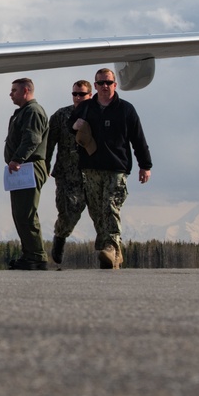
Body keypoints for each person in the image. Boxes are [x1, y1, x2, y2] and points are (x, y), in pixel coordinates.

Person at [69, 68, 152, 270]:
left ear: (115, 84)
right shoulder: (86, 107)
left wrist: (145, 165)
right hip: (91, 168)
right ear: (95, 86)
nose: (105, 86)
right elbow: (70, 125)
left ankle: (111, 247)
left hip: (117, 168)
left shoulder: (126, 109)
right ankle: (112, 250)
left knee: (110, 205)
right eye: (100, 83)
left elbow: (138, 139)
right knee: (97, 211)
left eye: (108, 82)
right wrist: (74, 124)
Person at [45, 80, 93, 265]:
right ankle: (60, 236)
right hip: (67, 174)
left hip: (92, 172)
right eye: (75, 94)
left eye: (82, 94)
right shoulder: (61, 115)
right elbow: (49, 143)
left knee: (101, 214)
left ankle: (108, 251)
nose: (78, 98)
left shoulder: (97, 114)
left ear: (90, 95)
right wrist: (45, 166)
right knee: (68, 211)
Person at [4, 78, 50, 270]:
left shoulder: (33, 111)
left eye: (14, 90)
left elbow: (32, 139)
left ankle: (37, 256)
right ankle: (29, 254)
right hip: (22, 167)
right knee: (20, 213)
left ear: (25, 91)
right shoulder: (23, 112)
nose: (10, 94)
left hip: (29, 166)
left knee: (27, 213)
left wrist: (17, 159)